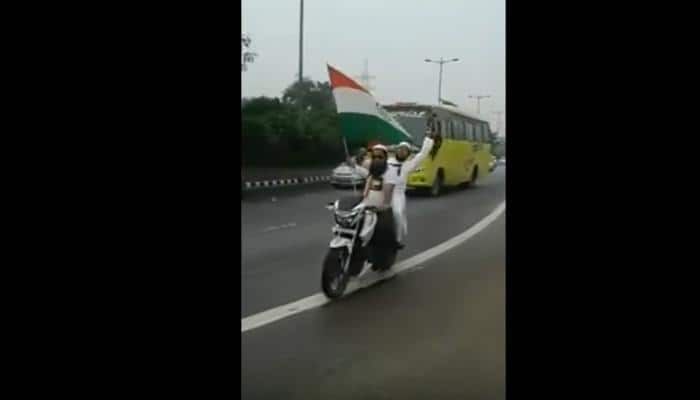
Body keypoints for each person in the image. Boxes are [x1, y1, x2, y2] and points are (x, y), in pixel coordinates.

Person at [384, 129, 437, 248]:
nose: (401, 151)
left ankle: (397, 240)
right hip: (383, 191)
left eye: (404, 150)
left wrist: (428, 139)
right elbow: (372, 170)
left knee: (397, 213)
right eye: (400, 149)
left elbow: (423, 154)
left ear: (408, 153)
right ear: (396, 150)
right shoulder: (387, 162)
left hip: (397, 194)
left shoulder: (409, 165)